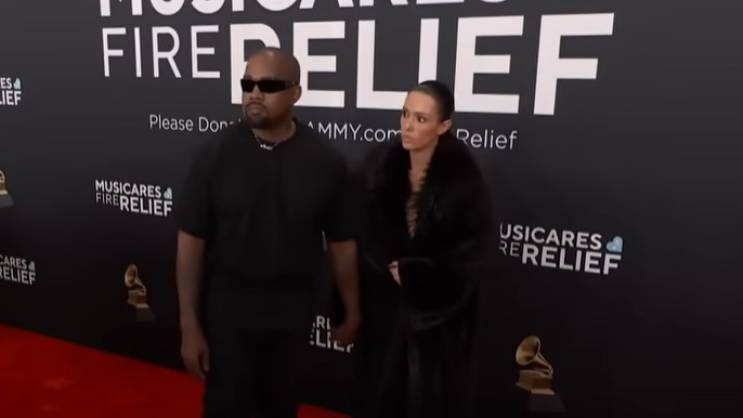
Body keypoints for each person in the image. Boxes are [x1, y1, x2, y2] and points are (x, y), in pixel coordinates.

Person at [175, 47, 361, 418]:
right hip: (228, 310)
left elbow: (342, 245)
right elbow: (190, 243)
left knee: (281, 408)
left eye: (269, 85)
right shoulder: (214, 155)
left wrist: (352, 311)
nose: (255, 93)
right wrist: (189, 324)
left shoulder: (326, 161)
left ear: (296, 93)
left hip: (292, 313)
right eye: (248, 84)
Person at [353, 80, 492, 418]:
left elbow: (472, 257)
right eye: (405, 114)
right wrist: (382, 266)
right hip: (383, 318)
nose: (408, 125)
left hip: (438, 327)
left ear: (443, 126)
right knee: (378, 396)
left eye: (421, 118)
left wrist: (416, 276)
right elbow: (361, 231)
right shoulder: (377, 168)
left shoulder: (465, 182)